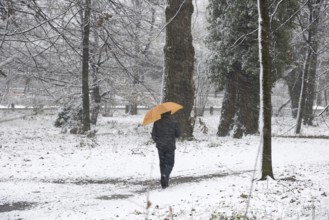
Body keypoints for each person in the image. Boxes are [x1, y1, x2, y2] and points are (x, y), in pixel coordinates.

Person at [151, 111, 180, 189]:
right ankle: (165, 175)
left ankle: (164, 183)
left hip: (160, 146)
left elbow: (154, 136)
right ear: (169, 113)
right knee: (170, 163)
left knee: (162, 163)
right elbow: (178, 134)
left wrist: (158, 141)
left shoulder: (157, 122)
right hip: (170, 146)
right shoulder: (174, 122)